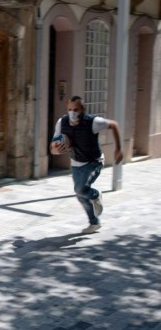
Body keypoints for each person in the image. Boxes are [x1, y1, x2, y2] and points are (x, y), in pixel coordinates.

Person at [50, 95, 123, 234]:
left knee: (81, 189)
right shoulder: (62, 122)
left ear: (83, 109)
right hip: (76, 162)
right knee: (80, 195)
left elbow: (114, 125)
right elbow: (53, 146)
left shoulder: (93, 122)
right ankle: (94, 223)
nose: (72, 113)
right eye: (69, 109)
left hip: (93, 161)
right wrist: (55, 150)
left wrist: (118, 149)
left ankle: (95, 194)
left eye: (76, 109)